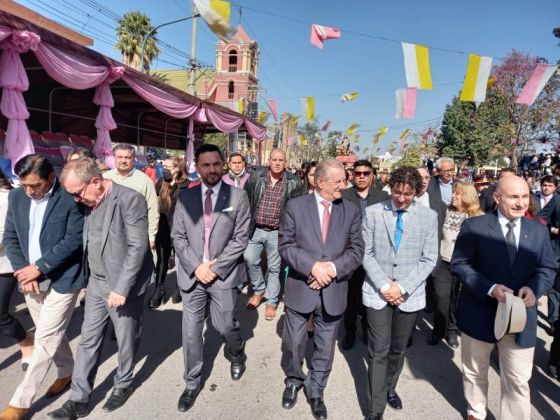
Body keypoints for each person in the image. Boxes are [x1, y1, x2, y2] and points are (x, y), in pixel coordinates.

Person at [48, 158, 154, 418]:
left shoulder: (129, 199)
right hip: (95, 283)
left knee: (126, 339)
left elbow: (137, 247)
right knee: (88, 341)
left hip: (122, 286)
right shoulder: (86, 202)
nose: (76, 199)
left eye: (77, 193)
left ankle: (123, 383)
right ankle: (79, 399)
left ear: (95, 182)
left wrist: (121, 288)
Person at [451, 175, 557, 420]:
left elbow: (547, 268)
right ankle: (476, 411)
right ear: (497, 198)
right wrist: (489, 289)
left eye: (524, 196)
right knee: (475, 371)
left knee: (518, 379)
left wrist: (535, 288)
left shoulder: (538, 230)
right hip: (480, 313)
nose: (521, 203)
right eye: (513, 197)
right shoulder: (475, 226)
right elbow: (459, 264)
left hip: (521, 317)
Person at [278, 159, 364, 420]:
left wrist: (331, 270)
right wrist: (313, 267)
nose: (344, 184)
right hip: (301, 286)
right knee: (294, 342)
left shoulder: (350, 210)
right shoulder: (294, 207)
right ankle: (294, 380)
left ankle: (316, 390)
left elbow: (357, 250)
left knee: (325, 347)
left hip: (334, 290)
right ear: (320, 181)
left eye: (344, 180)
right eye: (338, 181)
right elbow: (286, 245)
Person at [0, 154, 84, 420]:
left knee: (45, 339)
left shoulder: (69, 198)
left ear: (50, 178)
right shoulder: (17, 197)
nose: (29, 191)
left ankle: (21, 402)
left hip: (63, 279)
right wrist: (25, 270)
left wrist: (41, 267)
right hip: (29, 279)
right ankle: (67, 371)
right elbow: (10, 237)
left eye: (35, 185)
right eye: (24, 184)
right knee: (53, 333)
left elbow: (75, 239)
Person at [171, 144, 250, 413]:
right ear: (198, 167)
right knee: (191, 332)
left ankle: (237, 352)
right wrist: (196, 267)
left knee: (225, 325)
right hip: (193, 276)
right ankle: (191, 383)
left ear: (223, 164)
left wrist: (215, 268)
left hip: (223, 275)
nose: (212, 169)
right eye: (206, 165)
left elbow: (241, 238)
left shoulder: (237, 197)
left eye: (216, 164)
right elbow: (177, 237)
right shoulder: (185, 198)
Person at [361, 166, 438, 420]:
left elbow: (429, 259)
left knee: (397, 349)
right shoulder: (373, 213)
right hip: (377, 292)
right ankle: (376, 407)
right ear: (390, 187)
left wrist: (402, 287)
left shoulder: (428, 217)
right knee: (378, 350)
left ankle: (390, 388)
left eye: (408, 193)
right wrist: (385, 286)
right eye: (397, 192)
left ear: (416, 191)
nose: (402, 198)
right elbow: (365, 252)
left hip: (410, 294)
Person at [244, 148, 302, 320]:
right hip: (256, 229)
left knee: (275, 268)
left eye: (281, 160)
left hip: (278, 232)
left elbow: (298, 210)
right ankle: (259, 289)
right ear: (269, 161)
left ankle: (271, 302)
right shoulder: (257, 177)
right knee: (249, 259)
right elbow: (246, 200)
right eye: (274, 159)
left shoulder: (294, 182)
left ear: (285, 162)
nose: (277, 163)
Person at [340, 160, 388, 349]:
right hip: (351, 254)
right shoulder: (344, 195)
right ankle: (350, 332)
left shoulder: (382, 196)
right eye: (358, 173)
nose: (361, 176)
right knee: (351, 298)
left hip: (375, 256)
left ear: (372, 175)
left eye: (365, 173)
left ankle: (369, 332)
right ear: (352, 175)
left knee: (372, 297)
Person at [429, 182, 483, 349]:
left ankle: (452, 330)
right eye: (453, 193)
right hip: (444, 262)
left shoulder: (478, 217)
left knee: (457, 299)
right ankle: (438, 330)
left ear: (466, 197)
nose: (453, 196)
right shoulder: (445, 211)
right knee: (441, 297)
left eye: (457, 194)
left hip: (465, 266)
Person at [0, 168, 34, 372]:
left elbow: (5, 237)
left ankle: (26, 342)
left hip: (4, 265)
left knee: (0, 314)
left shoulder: (6, 198)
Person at [149, 156, 190, 308]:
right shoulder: (162, 182)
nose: (164, 170)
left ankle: (180, 287)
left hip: (181, 230)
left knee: (181, 261)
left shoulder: (188, 185)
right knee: (161, 259)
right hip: (163, 228)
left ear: (178, 168)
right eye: (163, 167)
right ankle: (158, 289)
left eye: (167, 167)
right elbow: (152, 201)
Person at [103, 144, 159, 251]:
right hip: (109, 234)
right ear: (114, 158)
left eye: (127, 157)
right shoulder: (105, 178)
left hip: (135, 234)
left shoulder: (145, 181)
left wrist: (151, 236)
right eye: (120, 157)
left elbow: (152, 209)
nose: (123, 161)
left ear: (133, 159)